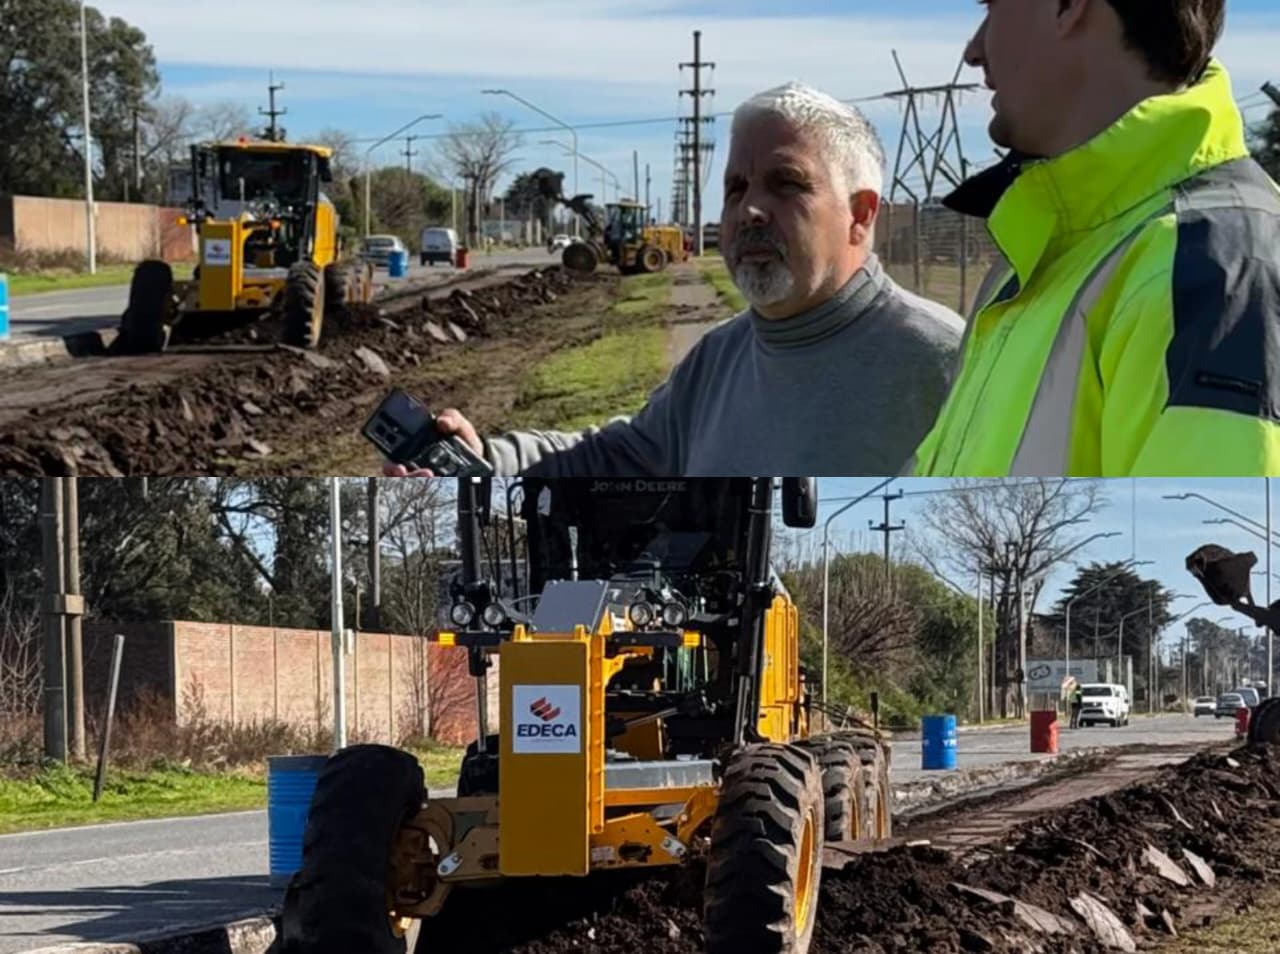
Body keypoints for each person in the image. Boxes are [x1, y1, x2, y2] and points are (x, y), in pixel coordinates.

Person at [386, 82, 963, 478]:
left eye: (786, 183)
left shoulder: (945, 364)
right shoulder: (718, 357)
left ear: (861, 214)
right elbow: (626, 453)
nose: (749, 211)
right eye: (736, 189)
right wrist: (486, 457)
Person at [911, 0, 1280, 477]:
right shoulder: (1045, 254)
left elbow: (1191, 532)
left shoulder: (1217, 268)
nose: (974, 50)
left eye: (993, 8)